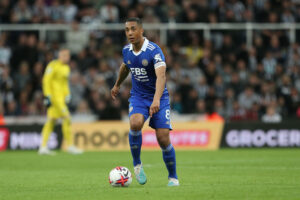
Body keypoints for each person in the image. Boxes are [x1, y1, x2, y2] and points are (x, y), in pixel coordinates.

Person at [111, 18, 179, 186]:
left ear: (141, 31)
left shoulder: (154, 51)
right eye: (127, 30)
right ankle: (137, 165)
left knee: (163, 138)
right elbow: (125, 66)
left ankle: (173, 177)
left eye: (133, 29)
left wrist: (156, 99)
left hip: (159, 98)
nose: (130, 33)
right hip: (139, 97)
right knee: (135, 123)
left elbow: (161, 76)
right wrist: (117, 84)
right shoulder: (126, 50)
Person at [39, 49, 83, 155]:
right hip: (54, 98)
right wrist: (47, 95)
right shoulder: (53, 65)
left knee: (51, 121)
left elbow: (64, 83)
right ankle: (70, 146)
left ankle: (43, 147)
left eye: (67, 56)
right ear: (59, 56)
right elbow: (46, 80)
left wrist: (67, 94)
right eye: (63, 55)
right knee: (67, 118)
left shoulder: (66, 68)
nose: (66, 57)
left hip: (61, 99)